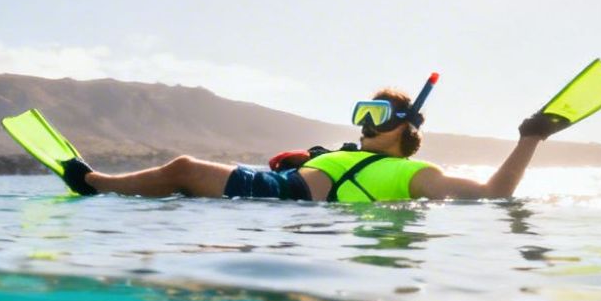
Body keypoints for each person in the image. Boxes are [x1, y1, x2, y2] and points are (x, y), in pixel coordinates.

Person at [62, 87, 571, 203]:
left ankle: (95, 183)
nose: (365, 124)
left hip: (285, 201)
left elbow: (492, 193)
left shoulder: (412, 174)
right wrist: (310, 157)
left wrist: (528, 140)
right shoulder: (349, 153)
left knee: (183, 168)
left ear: (405, 129)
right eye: (361, 114)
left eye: (376, 116)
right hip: (280, 193)